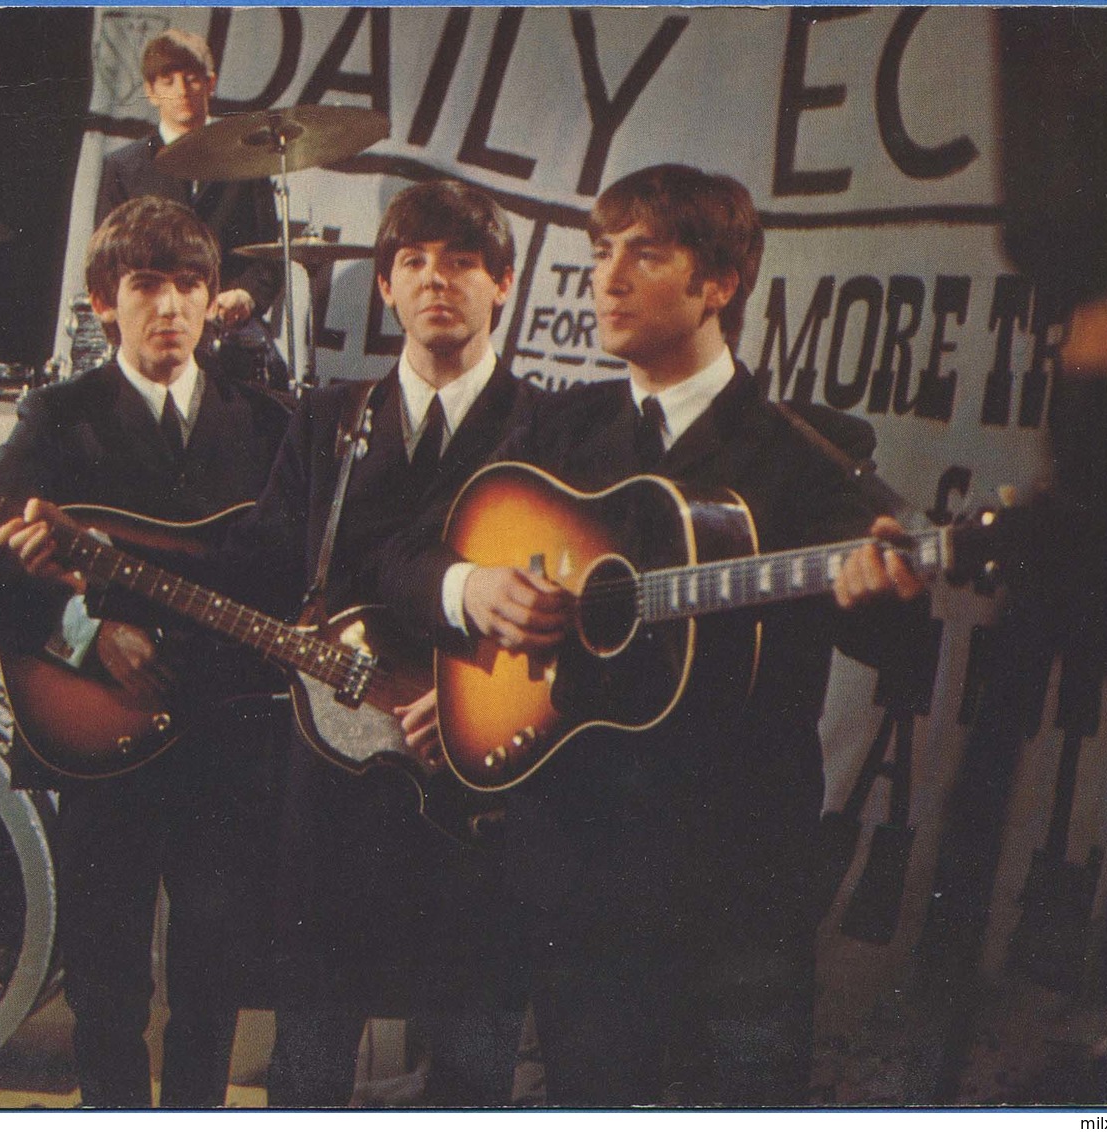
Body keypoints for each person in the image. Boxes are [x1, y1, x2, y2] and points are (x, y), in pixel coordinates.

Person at [381, 164, 925, 1106]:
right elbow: (405, 556)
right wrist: (476, 596)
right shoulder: (555, 427)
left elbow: (897, 651)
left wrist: (881, 591)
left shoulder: (811, 446)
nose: (608, 277)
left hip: (736, 872)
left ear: (717, 283)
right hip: (577, 866)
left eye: (645, 253)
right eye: (600, 253)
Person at [0, 196, 292, 1108]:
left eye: (187, 285)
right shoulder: (61, 418)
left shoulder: (271, 424)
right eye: (145, 285)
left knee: (213, 965)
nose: (169, 305)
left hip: (226, 734)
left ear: (215, 301)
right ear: (101, 303)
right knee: (107, 972)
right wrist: (83, 632)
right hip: (100, 733)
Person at [211, 180, 541, 1106]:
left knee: (473, 1065)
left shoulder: (549, 429)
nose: (437, 280)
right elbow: (258, 565)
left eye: (462, 262)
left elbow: (568, 605)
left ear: (503, 282)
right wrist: (109, 566)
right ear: (386, 289)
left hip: (481, 789)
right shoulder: (326, 421)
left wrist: (483, 701)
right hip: (334, 798)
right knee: (307, 1060)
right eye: (413, 263)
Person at [94, 29, 283, 381]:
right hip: (151, 326)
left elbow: (272, 255)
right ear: (151, 91)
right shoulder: (123, 168)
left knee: (272, 383)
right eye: (168, 81)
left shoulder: (246, 162)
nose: (182, 90)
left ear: (210, 84)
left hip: (228, 330)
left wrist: (247, 295)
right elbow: (106, 263)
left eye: (192, 79)